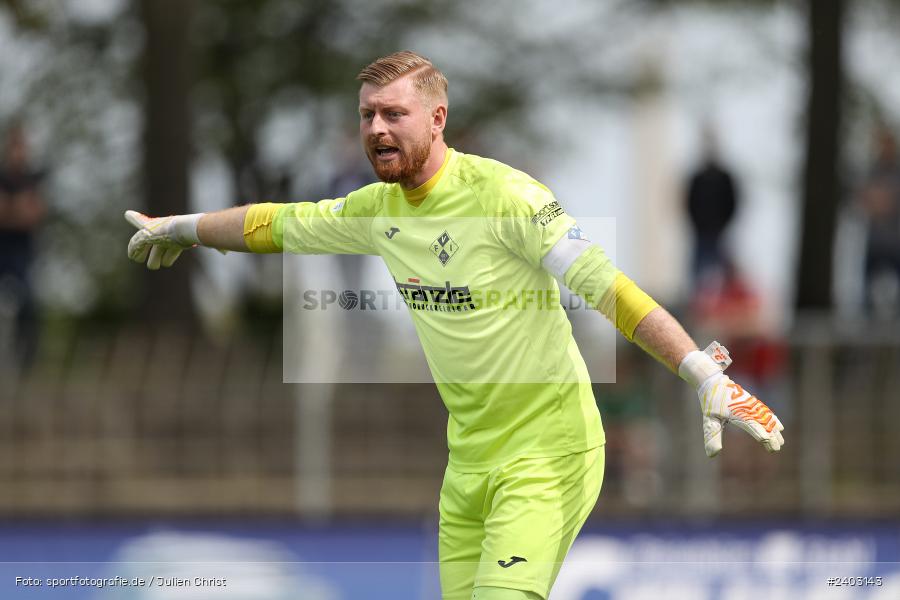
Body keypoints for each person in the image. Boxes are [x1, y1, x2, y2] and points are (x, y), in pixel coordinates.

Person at [124, 51, 785, 600]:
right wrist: (180, 229)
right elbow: (272, 225)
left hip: (548, 455)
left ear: (438, 118)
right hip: (469, 463)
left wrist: (701, 373)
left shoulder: (511, 199)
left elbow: (609, 291)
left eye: (394, 114)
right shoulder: (374, 209)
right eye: (367, 116)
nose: (378, 129)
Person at [0, 122, 46, 371]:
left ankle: (26, 363)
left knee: (29, 305)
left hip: (23, 256)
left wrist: (14, 209)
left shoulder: (34, 179)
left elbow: (33, 214)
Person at [685, 126, 739, 287]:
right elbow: (690, 203)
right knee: (699, 272)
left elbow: (732, 202)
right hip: (701, 232)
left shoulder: (725, 177)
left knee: (723, 272)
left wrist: (723, 224)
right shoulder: (697, 177)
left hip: (720, 231)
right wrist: (697, 224)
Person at [858, 125, 900, 315]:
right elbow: (863, 200)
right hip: (874, 243)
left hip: (894, 243)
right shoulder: (870, 172)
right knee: (866, 294)